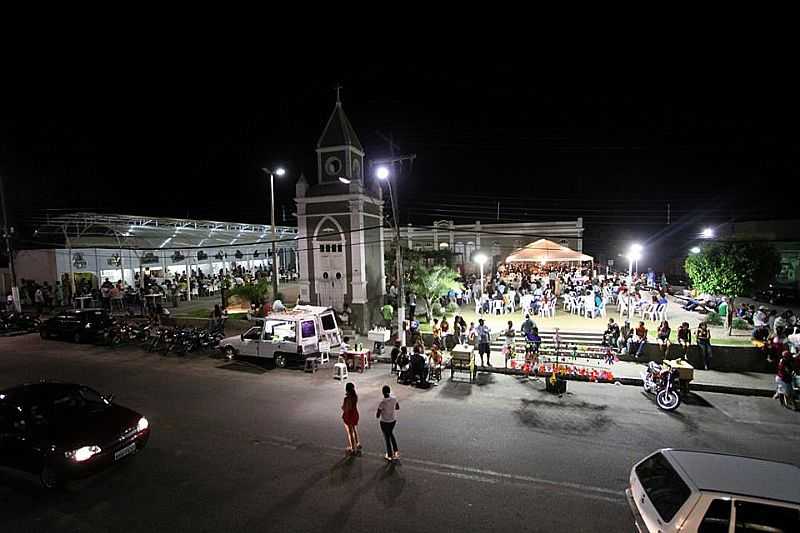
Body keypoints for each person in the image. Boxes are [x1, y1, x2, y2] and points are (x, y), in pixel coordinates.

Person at [376, 385, 400, 462]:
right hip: (393, 421)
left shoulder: (382, 402)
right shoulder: (394, 399)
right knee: (391, 435)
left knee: (387, 438)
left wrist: (383, 411)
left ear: (383, 392)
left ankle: (389, 455)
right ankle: (396, 452)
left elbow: (377, 415)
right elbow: (397, 407)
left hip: (385, 422)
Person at [341, 382, 361, 456]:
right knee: (354, 429)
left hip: (349, 416)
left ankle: (352, 448)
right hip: (355, 414)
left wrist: (343, 407)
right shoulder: (355, 397)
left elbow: (346, 408)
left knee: (350, 432)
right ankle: (358, 443)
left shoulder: (347, 398)